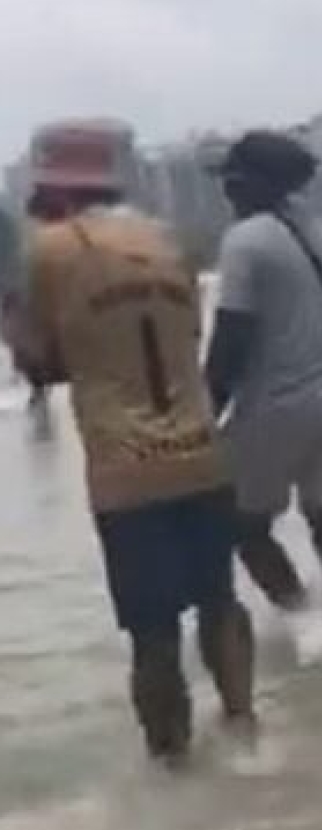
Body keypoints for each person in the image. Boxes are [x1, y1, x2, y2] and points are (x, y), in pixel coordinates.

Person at [10, 121, 255, 767]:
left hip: (126, 470)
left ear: (51, 191)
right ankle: (245, 730)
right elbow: (186, 335)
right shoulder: (164, 240)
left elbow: (41, 361)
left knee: (152, 629)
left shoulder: (50, 251)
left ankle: (172, 767)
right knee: (219, 600)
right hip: (202, 453)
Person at [207, 131, 322, 628]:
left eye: (231, 183)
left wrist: (203, 416)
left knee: (237, 523)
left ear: (250, 184)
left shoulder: (246, 240)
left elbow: (231, 338)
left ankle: (304, 621)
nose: (227, 194)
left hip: (274, 406)